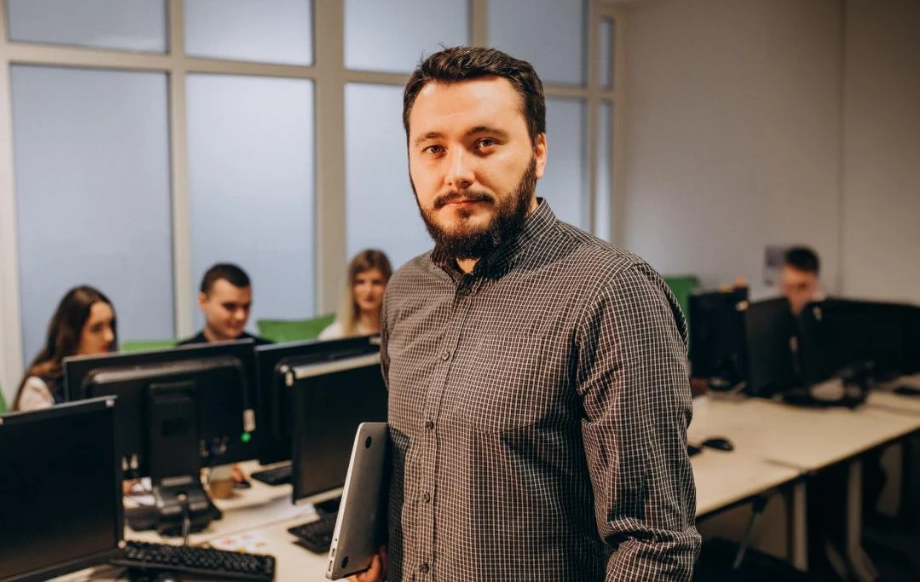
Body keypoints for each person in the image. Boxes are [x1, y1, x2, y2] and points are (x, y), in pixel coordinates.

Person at [353, 47, 699, 582]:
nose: (458, 172)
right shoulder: (405, 291)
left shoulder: (611, 293)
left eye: (484, 143)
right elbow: (413, 470)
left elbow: (655, 542)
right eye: (434, 149)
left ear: (538, 153)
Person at [14, 285, 116, 412]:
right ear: (72, 335)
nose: (109, 337)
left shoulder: (116, 379)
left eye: (110, 325)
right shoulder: (40, 389)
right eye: (96, 329)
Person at [179, 263, 271, 346]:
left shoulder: (266, 354)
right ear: (203, 302)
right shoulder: (180, 357)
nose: (240, 316)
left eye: (246, 307)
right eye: (230, 306)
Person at [319, 249, 393, 340]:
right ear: (351, 287)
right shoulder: (333, 336)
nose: (368, 290)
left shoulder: (400, 333)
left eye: (376, 282)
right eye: (360, 282)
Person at [779, 246, 824, 316]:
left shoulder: (830, 315)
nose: (793, 295)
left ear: (815, 285)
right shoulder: (765, 314)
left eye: (802, 287)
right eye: (789, 287)